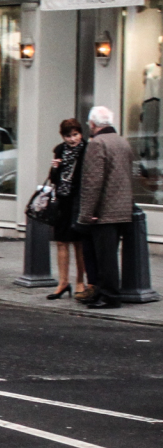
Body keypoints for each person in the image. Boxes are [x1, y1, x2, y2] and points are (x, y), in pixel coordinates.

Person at [77, 106, 136, 309]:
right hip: (122, 209)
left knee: (104, 257)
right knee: (110, 254)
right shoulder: (122, 142)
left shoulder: (97, 143)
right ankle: (104, 293)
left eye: (89, 125)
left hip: (103, 212)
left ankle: (109, 296)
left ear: (93, 124)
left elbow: (93, 182)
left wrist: (86, 213)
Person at [46, 118, 88, 300]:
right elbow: (53, 178)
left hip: (79, 201)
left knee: (79, 243)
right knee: (61, 241)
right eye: (68, 136)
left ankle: (80, 281)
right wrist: (55, 168)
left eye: (75, 134)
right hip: (62, 201)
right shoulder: (59, 150)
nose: (72, 139)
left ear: (81, 133)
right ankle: (63, 282)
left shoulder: (87, 150)